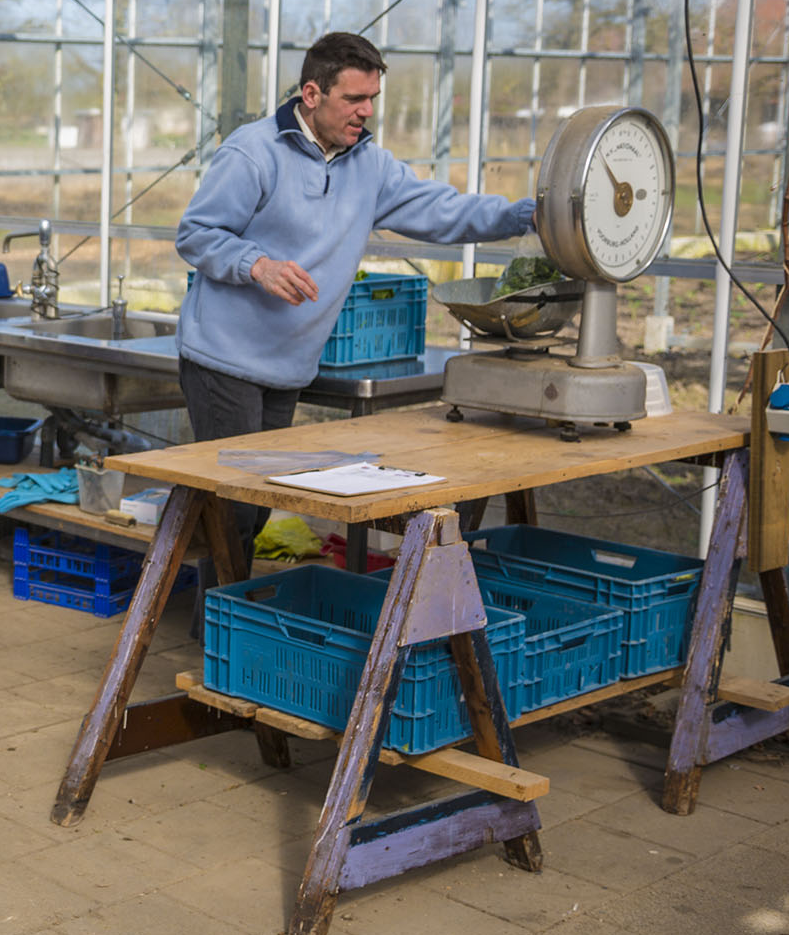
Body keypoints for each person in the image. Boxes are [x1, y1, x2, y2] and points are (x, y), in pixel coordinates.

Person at [174, 31, 534, 576]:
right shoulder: (252, 153)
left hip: (287, 364)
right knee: (233, 509)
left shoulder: (370, 166)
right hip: (224, 358)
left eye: (373, 100)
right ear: (312, 94)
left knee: (257, 504)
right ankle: (217, 640)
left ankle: (219, 615)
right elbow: (196, 234)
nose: (365, 112)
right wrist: (258, 265)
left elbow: (442, 210)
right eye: (354, 100)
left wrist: (520, 216)